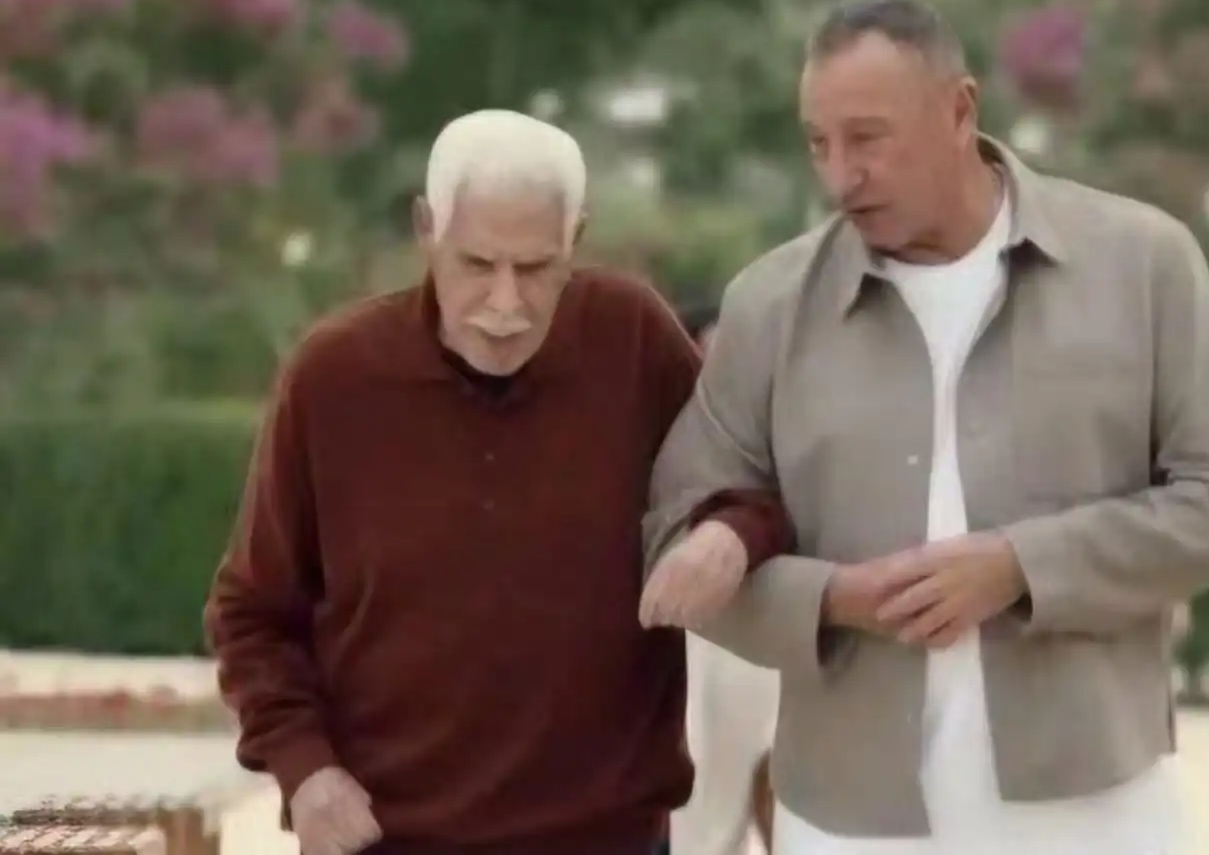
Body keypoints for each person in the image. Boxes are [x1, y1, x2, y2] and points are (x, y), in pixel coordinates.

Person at [640, 0, 1209, 855]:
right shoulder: (768, 306)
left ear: (961, 110)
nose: (840, 176)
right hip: (847, 821)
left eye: (868, 138)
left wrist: (1019, 566)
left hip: (1099, 809)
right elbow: (673, 536)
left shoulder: (1144, 264)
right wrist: (832, 600)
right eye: (819, 144)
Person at [204, 110, 791, 855]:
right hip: (389, 840)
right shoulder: (333, 378)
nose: (506, 305)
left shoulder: (632, 339)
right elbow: (252, 612)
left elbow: (756, 476)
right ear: (427, 230)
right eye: (478, 265)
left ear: (576, 239)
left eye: (536, 268)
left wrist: (729, 536)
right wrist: (305, 771)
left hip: (608, 840)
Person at [669, 304, 781, 855]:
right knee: (703, 803)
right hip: (696, 638)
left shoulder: (789, 427)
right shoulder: (669, 439)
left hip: (775, 625)